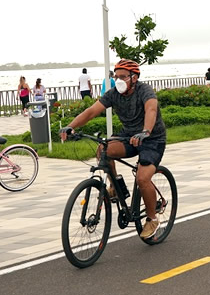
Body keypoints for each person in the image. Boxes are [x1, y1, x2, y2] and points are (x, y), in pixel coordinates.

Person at [60, 59, 167, 239]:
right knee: (104, 149)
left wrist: (145, 131)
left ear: (134, 78)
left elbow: (151, 111)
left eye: (123, 77)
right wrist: (71, 126)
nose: (118, 80)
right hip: (128, 136)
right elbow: (91, 111)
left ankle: (152, 219)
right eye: (115, 76)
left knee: (142, 178)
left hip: (152, 139)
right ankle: (116, 186)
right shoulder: (113, 94)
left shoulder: (145, 91)